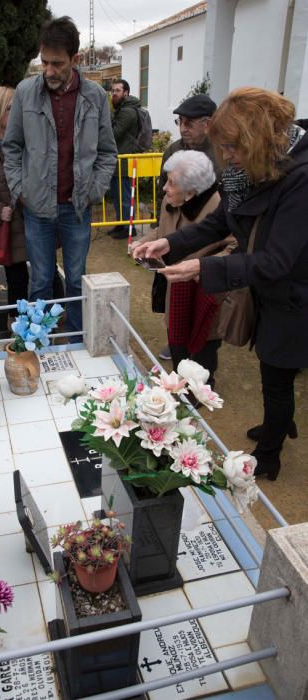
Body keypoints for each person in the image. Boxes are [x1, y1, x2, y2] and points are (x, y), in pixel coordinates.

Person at [133, 86, 308, 482]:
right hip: (267, 290)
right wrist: (170, 242)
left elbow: (278, 260)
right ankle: (279, 425)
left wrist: (201, 270)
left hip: (295, 297)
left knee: (277, 375)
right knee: (270, 364)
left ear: (258, 140)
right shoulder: (250, 171)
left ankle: (270, 453)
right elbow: (218, 223)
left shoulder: (300, 179)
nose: (226, 157)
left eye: (232, 147)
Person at [3, 15, 117, 337]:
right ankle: (38, 344)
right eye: (44, 62)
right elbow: (10, 147)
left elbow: (108, 152)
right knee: (39, 278)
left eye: (57, 63)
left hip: (77, 207)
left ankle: (78, 340)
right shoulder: (26, 92)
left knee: (77, 277)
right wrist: (20, 189)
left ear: (75, 59)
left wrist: (95, 189)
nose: (49, 71)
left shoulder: (96, 97)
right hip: (36, 208)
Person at [135, 150, 236, 389]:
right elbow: (164, 232)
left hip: (206, 288)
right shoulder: (171, 199)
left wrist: (202, 268)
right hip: (175, 286)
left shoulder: (220, 205)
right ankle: (180, 384)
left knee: (203, 345)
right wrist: (144, 243)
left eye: (171, 183)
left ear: (192, 191)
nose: (164, 188)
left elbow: (235, 245)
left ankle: (202, 389)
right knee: (177, 340)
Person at [0, 87, 65, 329]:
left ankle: (58, 321)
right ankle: (20, 331)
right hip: (10, 227)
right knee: (17, 279)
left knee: (49, 272)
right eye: (11, 107)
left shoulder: (33, 139)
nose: (18, 111)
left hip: (39, 218)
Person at [155, 94, 218, 361]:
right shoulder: (173, 150)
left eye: (189, 122)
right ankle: (177, 340)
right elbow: (165, 191)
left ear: (208, 123)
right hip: (176, 234)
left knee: (204, 308)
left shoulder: (222, 154)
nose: (182, 128)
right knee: (172, 294)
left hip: (209, 237)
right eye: (180, 121)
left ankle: (202, 359)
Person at [108, 79, 151, 240]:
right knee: (117, 196)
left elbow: (114, 134)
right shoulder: (121, 109)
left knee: (124, 197)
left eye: (117, 90)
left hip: (125, 162)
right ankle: (121, 225)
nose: (114, 93)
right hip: (118, 161)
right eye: (112, 90)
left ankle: (129, 228)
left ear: (126, 92)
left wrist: (107, 120)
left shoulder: (128, 112)